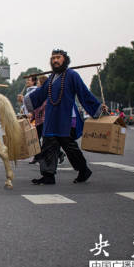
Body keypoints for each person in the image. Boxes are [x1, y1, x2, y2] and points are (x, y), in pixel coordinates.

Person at [24, 49, 108, 185]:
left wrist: (98, 107)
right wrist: (27, 100)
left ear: (65, 60)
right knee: (48, 146)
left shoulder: (72, 75)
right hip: (51, 118)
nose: (55, 60)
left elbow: (84, 93)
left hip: (66, 118)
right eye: (53, 58)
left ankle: (83, 170)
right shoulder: (51, 78)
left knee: (69, 147)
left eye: (58, 57)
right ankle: (48, 175)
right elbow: (40, 94)